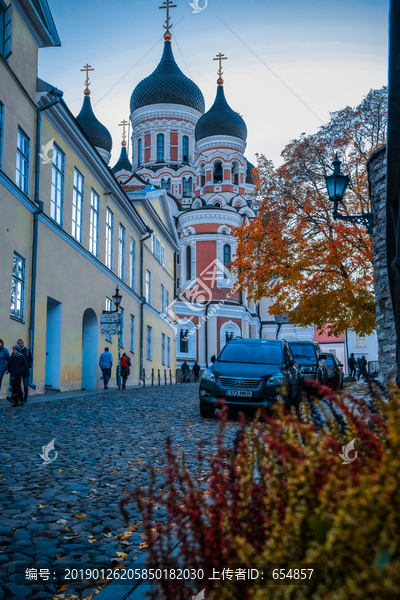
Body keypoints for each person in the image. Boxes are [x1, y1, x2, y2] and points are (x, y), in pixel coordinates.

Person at [17, 339, 33, 404]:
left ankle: (25, 396)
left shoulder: (26, 351)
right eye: (18, 343)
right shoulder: (16, 351)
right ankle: (18, 397)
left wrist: (27, 365)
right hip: (18, 371)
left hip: (25, 370)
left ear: (23, 343)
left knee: (25, 385)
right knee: (17, 385)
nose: (20, 344)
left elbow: (30, 360)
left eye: (21, 343)